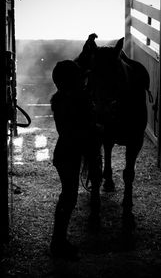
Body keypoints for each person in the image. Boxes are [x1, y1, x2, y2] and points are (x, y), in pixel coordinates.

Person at [50, 60, 96, 260]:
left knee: (67, 197)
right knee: (68, 198)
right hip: (69, 154)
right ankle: (58, 243)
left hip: (64, 154)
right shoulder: (72, 102)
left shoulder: (60, 99)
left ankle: (59, 241)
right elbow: (80, 129)